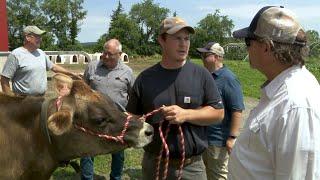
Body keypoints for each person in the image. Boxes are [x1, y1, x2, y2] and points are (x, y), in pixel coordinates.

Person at [126, 16, 224, 180]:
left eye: (186, 38)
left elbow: (218, 113)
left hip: (192, 167)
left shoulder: (201, 75)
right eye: (177, 38)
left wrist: (186, 115)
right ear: (162, 40)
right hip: (154, 165)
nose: (183, 44)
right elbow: (132, 117)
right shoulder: (145, 78)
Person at [228, 6, 320, 179]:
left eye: (249, 42)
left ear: (266, 47)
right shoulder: (283, 90)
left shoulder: (296, 104)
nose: (247, 49)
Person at [80, 39, 134, 180]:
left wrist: (131, 115)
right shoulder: (92, 67)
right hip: (93, 118)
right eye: (104, 52)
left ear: (119, 54)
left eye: (110, 54)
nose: (106, 56)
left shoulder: (127, 72)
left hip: (117, 119)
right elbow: (83, 90)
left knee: (118, 152)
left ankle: (115, 177)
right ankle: (87, 178)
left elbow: (133, 95)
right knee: (87, 150)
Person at [196, 42, 245, 180]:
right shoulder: (205, 76)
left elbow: (237, 110)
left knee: (218, 176)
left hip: (218, 140)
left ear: (217, 57)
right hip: (202, 137)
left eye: (205, 55)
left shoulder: (229, 79)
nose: (202, 58)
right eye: (201, 55)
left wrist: (232, 138)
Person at [0, 25, 80, 96]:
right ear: (28, 37)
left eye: (40, 37)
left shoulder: (41, 53)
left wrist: (71, 73)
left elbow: (54, 67)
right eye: (37, 36)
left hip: (41, 99)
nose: (40, 39)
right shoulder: (16, 55)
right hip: (22, 101)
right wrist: (11, 99)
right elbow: (4, 79)